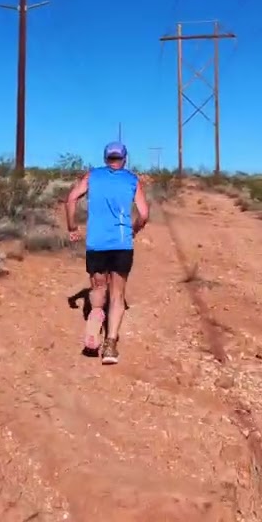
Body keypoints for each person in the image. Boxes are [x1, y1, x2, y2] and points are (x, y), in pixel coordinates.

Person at [65, 141, 150, 364]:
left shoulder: (92, 176)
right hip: (122, 243)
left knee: (99, 288)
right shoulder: (132, 180)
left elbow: (71, 198)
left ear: (105, 158)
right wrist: (134, 229)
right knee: (118, 295)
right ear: (124, 159)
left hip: (96, 243)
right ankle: (110, 345)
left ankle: (94, 321)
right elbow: (144, 214)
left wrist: (72, 228)